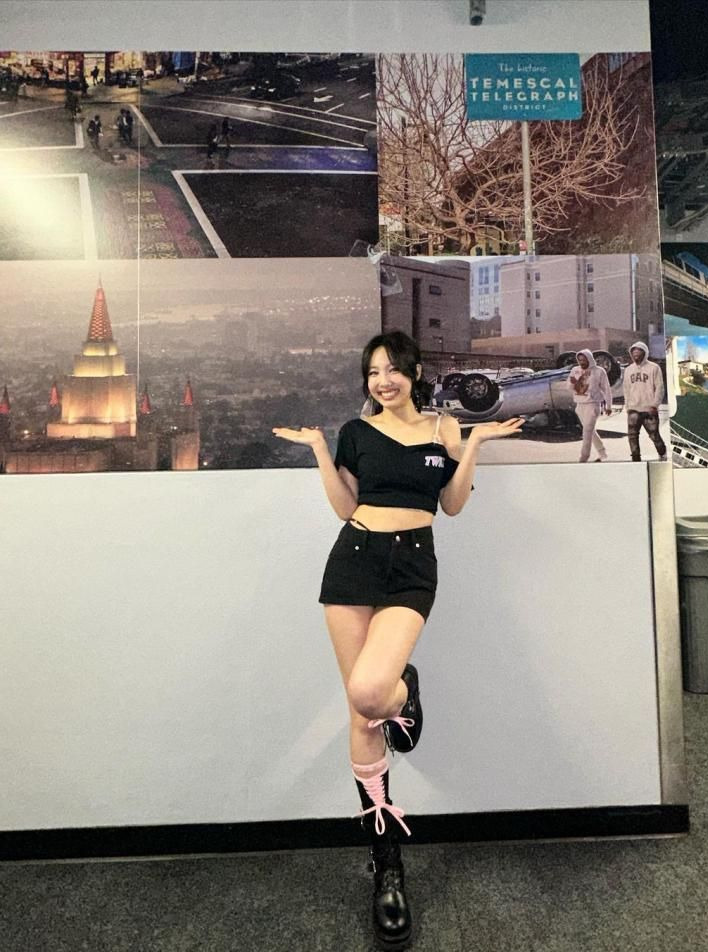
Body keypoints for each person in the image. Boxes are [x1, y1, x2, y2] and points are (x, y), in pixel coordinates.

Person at [272, 330, 523, 950]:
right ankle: (387, 866)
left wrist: (474, 446)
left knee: (371, 691)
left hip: (412, 565)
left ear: (414, 374)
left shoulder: (443, 428)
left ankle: (403, 689)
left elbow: (454, 505)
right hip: (353, 560)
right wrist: (320, 452)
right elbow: (344, 507)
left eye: (393, 370)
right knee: (360, 711)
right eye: (373, 372)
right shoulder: (356, 432)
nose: (383, 381)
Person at [623, 341, 667, 462]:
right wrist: (627, 406)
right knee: (632, 436)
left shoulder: (654, 367)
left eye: (638, 351)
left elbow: (659, 387)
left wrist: (655, 405)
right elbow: (626, 389)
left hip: (649, 408)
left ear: (645, 353)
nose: (635, 354)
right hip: (633, 408)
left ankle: (662, 453)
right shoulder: (628, 370)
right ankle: (636, 458)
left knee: (654, 435)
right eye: (633, 352)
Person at [567, 349, 612, 462]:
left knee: (587, 431)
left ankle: (584, 457)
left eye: (584, 360)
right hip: (579, 405)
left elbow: (606, 389)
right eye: (580, 360)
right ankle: (603, 453)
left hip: (593, 405)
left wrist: (609, 406)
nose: (581, 362)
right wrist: (574, 381)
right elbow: (569, 387)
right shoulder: (575, 370)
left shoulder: (599, 371)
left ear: (590, 359)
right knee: (590, 431)